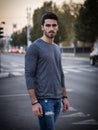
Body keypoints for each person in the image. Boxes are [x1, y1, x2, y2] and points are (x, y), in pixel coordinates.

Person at [25, 12, 70, 130]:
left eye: (54, 25)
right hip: (44, 100)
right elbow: (29, 75)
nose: (51, 28)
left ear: (57, 27)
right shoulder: (35, 47)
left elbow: (60, 73)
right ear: (42, 27)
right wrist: (34, 102)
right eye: (48, 25)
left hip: (57, 99)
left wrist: (64, 97)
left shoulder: (56, 48)